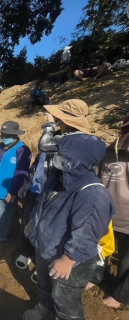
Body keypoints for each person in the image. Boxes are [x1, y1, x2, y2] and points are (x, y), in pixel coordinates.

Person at [24, 133, 115, 320]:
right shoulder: (57, 179)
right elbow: (42, 204)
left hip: (72, 261)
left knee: (64, 298)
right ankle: (45, 310)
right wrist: (33, 222)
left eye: (61, 155)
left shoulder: (92, 194)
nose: (56, 159)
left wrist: (68, 259)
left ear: (78, 161)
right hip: (45, 249)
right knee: (44, 285)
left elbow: (86, 234)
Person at [98, 114, 129, 308]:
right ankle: (118, 294)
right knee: (125, 259)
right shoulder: (107, 152)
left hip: (106, 212)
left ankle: (101, 281)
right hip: (119, 216)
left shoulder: (107, 151)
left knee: (103, 251)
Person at [16, 151, 54, 283]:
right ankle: (26, 252)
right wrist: (26, 186)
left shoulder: (61, 155)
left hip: (49, 196)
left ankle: (41, 263)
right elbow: (33, 171)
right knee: (26, 223)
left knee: (44, 229)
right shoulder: (41, 154)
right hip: (33, 193)